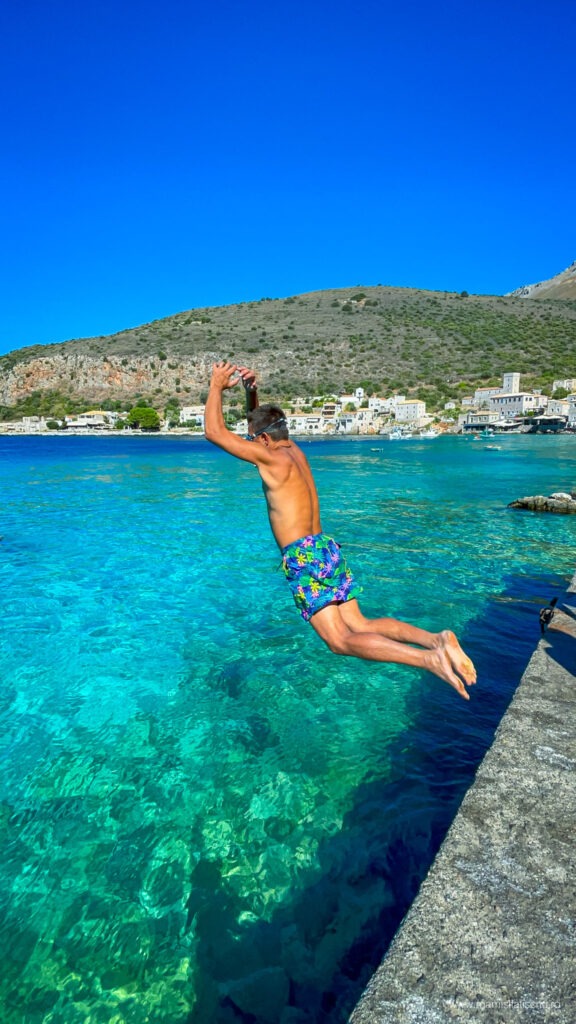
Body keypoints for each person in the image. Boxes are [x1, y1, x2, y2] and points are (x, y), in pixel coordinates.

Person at [205, 362, 477, 700]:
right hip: (325, 547)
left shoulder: (271, 459)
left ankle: (428, 659)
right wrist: (252, 394)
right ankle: (436, 639)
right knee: (360, 624)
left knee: (339, 640)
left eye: (252, 439)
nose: (250, 444)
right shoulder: (293, 450)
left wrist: (216, 386)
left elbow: (214, 432)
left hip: (303, 556)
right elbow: (262, 423)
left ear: (262, 440)